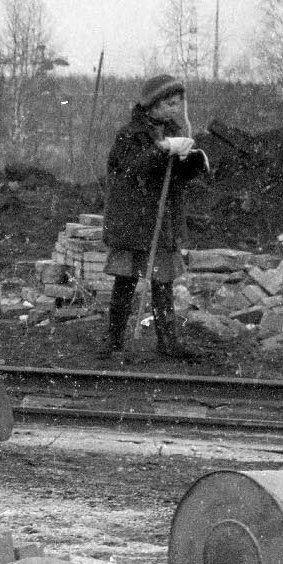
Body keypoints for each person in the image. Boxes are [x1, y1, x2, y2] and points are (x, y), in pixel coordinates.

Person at [98, 73, 211, 361]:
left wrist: (192, 162)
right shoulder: (129, 135)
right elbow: (135, 169)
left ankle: (168, 342)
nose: (175, 109)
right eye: (170, 103)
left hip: (162, 221)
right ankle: (113, 341)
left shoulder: (174, 133)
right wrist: (161, 151)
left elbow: (174, 178)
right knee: (125, 280)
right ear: (153, 104)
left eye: (177, 104)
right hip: (133, 221)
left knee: (163, 282)